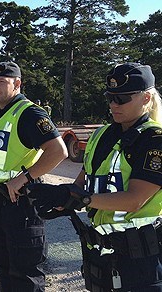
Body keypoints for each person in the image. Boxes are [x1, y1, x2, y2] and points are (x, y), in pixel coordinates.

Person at [26, 63, 162, 291]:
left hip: (143, 260)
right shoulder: (101, 135)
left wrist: (80, 198)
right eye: (110, 97)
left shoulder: (154, 140)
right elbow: (83, 182)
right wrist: (61, 199)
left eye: (122, 98)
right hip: (102, 255)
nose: (113, 105)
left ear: (146, 98)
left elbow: (135, 199)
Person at [0, 61, 68, 291]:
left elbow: (58, 151)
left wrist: (24, 177)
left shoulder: (28, 113)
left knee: (25, 272)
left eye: (2, 82)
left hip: (22, 202)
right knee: (4, 265)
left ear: (17, 84)